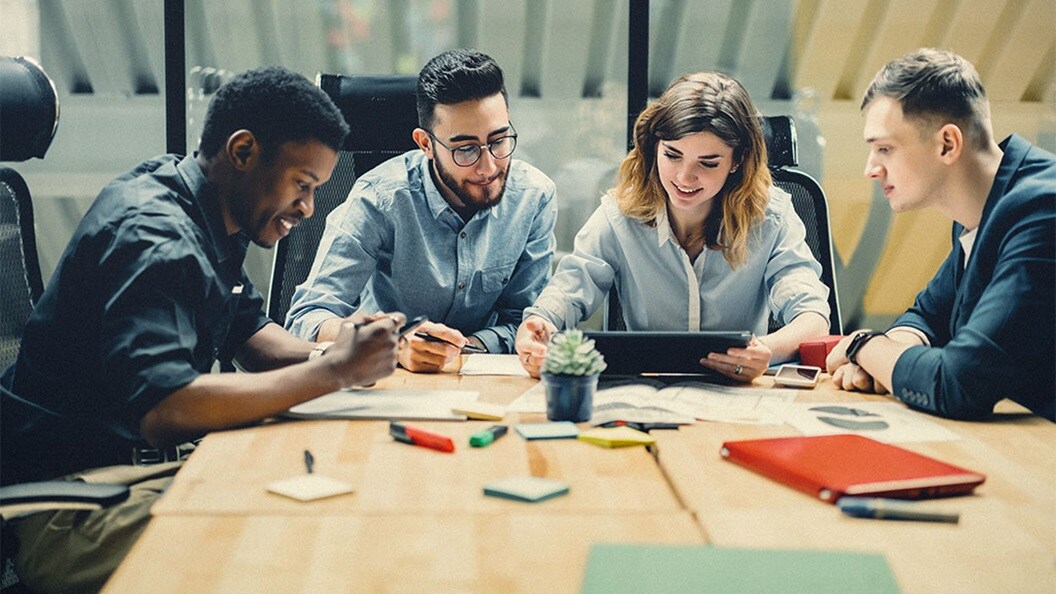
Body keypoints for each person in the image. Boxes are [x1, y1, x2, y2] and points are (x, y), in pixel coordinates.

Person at [0, 67, 404, 592]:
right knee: (297, 551)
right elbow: (166, 408)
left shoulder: (211, 208)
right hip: (72, 504)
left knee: (342, 500)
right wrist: (332, 373)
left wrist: (337, 357)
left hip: (143, 473)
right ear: (242, 152)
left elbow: (250, 334)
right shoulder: (155, 236)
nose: (307, 208)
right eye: (302, 185)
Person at [515, 72, 830, 381]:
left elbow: (813, 318)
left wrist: (765, 351)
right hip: (644, 391)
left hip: (739, 393)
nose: (684, 177)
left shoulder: (770, 217)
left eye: (708, 163)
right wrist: (540, 323)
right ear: (655, 147)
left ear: (737, 160)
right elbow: (569, 290)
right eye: (672, 155)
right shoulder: (618, 215)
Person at [284, 49, 558, 373]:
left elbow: (524, 319)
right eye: (466, 149)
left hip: (484, 380)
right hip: (391, 381)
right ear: (425, 144)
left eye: (498, 140)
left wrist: (466, 348)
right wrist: (394, 344)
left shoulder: (534, 197)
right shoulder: (379, 200)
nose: (488, 167)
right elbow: (307, 317)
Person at [826, 48, 1055, 421]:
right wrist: (884, 357)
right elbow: (926, 317)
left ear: (947, 144)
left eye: (885, 149)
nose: (871, 169)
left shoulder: (1043, 211)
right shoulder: (987, 210)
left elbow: (960, 382)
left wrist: (863, 345)